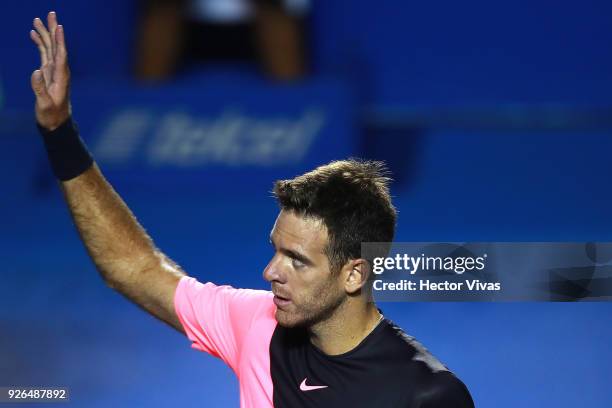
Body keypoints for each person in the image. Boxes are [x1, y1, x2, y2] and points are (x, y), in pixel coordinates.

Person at [30, 12, 475, 407]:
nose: (270, 272)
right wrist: (59, 132)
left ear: (354, 273)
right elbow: (132, 267)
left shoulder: (427, 395)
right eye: (277, 250)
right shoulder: (257, 324)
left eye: (297, 260)